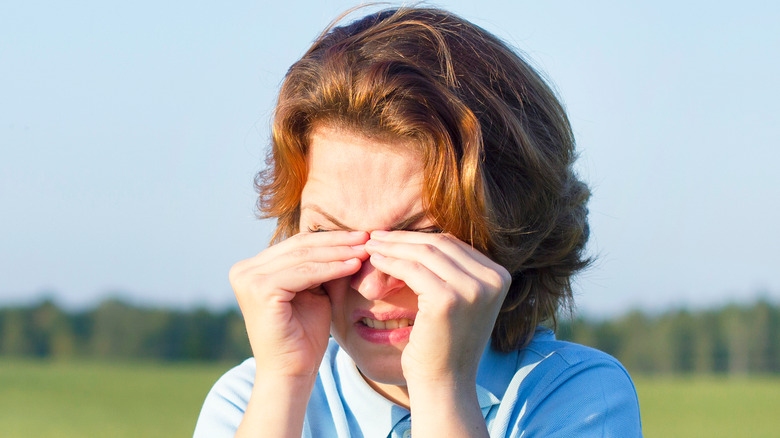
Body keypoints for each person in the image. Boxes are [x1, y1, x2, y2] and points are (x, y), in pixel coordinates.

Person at [194, 6, 642, 437]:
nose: (370, 285)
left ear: (510, 230)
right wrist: (283, 384)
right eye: (330, 234)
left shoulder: (575, 394)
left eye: (418, 237)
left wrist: (442, 387)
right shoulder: (250, 400)